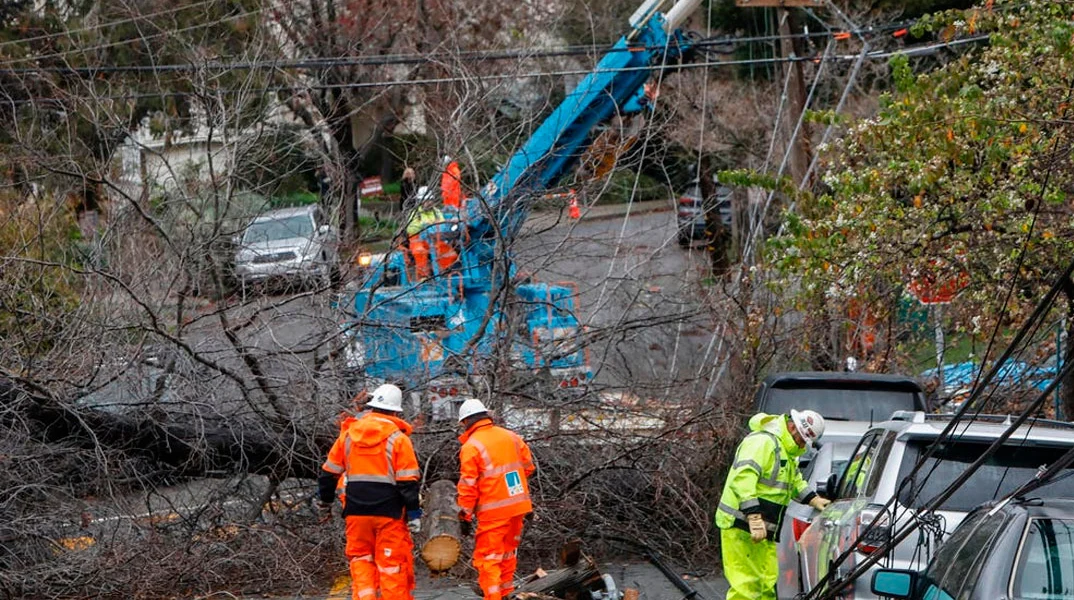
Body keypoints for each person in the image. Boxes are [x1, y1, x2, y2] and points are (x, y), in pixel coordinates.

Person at [318, 384, 422, 600]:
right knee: (391, 567)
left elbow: (328, 474)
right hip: (389, 515)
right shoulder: (399, 440)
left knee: (361, 559)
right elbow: (408, 483)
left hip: (356, 512)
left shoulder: (348, 436)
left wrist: (325, 504)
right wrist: (413, 514)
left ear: (372, 407)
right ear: (395, 412)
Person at [715, 409, 829, 600]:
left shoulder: (785, 449)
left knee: (765, 583)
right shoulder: (763, 442)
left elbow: (793, 482)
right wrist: (753, 515)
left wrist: (813, 498)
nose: (802, 445)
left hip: (763, 529)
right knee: (746, 586)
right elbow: (742, 478)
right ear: (792, 428)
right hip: (741, 525)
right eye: (802, 439)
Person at [456, 398, 535, 600]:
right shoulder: (511, 437)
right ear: (486, 415)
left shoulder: (472, 446)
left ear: (465, 422)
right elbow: (528, 468)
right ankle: (507, 594)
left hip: (493, 512)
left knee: (488, 559)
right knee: (508, 554)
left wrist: (464, 515)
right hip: (518, 506)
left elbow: (468, 486)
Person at [405, 186, 445, 279]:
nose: (428, 203)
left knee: (445, 249)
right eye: (426, 200)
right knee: (420, 252)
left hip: (435, 240)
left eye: (430, 200)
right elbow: (410, 229)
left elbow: (443, 224)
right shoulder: (415, 213)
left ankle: (443, 273)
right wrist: (423, 225)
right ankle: (423, 276)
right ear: (420, 201)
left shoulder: (437, 212)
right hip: (419, 242)